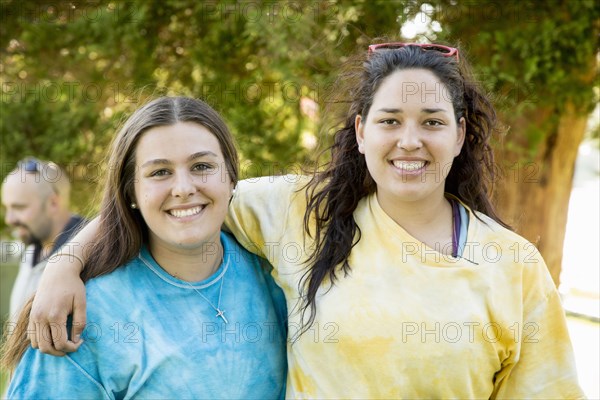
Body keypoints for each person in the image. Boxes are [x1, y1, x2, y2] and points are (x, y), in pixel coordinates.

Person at [22, 43, 584, 398]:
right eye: (390, 120)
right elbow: (178, 198)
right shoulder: (301, 210)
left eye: (432, 122)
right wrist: (64, 264)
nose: (409, 141)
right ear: (362, 131)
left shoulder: (513, 266)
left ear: (460, 134)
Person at [1, 96, 287, 399]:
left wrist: (65, 260)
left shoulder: (274, 270)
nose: (184, 188)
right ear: (132, 191)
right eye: (160, 172)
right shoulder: (84, 314)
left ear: (231, 178)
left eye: (202, 166)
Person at [1, 158, 85, 320]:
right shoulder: (32, 248)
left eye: (19, 207)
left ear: (53, 203)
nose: (9, 219)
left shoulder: (88, 258)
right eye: (7, 207)